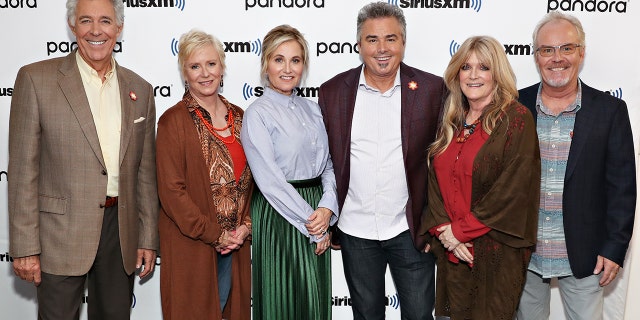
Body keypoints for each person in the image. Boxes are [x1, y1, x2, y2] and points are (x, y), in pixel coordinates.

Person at [8, 0, 158, 318]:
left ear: (118, 28)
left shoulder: (141, 90)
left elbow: (144, 172)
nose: (95, 30)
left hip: (120, 233)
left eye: (105, 21)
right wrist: (24, 247)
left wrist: (147, 237)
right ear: (73, 26)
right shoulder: (36, 80)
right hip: (58, 234)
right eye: (86, 20)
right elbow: (22, 172)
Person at [317, 2, 445, 319]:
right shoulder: (332, 92)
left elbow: (442, 163)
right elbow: (327, 162)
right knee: (366, 314)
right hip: (355, 229)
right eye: (372, 39)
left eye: (391, 38)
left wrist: (434, 224)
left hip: (410, 229)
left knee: (418, 314)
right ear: (359, 44)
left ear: (403, 42)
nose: (382, 48)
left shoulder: (431, 89)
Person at [516, 11, 636, 320]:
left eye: (566, 48)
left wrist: (614, 249)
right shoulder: (514, 106)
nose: (557, 58)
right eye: (547, 50)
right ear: (536, 56)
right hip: (523, 255)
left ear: (581, 53)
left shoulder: (610, 111)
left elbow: (622, 188)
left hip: (585, 256)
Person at [419, 36, 540, 319]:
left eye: (483, 67)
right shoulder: (452, 119)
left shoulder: (516, 119)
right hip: (453, 254)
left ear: (497, 73)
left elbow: (512, 190)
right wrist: (445, 232)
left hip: (494, 253)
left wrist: (459, 232)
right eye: (466, 67)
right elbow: (435, 183)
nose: (473, 75)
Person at [241, 24, 338, 320]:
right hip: (280, 216)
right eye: (278, 59)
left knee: (314, 302)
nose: (287, 68)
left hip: (317, 209)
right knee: (282, 302)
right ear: (265, 64)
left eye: (295, 60)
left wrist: (327, 207)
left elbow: (330, 166)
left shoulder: (314, 109)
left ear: (303, 66)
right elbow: (269, 182)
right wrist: (313, 224)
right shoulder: (257, 113)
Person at [156, 29, 253, 320]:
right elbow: (172, 193)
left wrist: (246, 227)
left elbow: (258, 183)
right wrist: (215, 235)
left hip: (236, 244)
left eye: (211, 64)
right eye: (195, 66)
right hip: (193, 245)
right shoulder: (173, 121)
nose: (205, 73)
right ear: (184, 73)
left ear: (222, 67)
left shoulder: (242, 117)